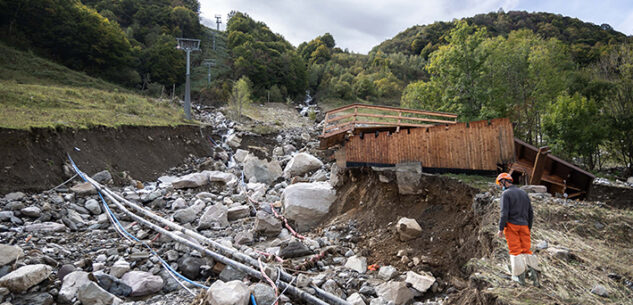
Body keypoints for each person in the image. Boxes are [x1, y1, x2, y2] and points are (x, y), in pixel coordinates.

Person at [496, 173, 540, 286]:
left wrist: (501, 228)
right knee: (527, 250)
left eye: (500, 184)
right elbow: (531, 212)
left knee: (515, 251)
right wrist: (528, 227)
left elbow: (504, 213)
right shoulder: (524, 193)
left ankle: (519, 278)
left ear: (504, 182)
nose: (501, 186)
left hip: (512, 226)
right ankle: (535, 278)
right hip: (524, 225)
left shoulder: (506, 194)